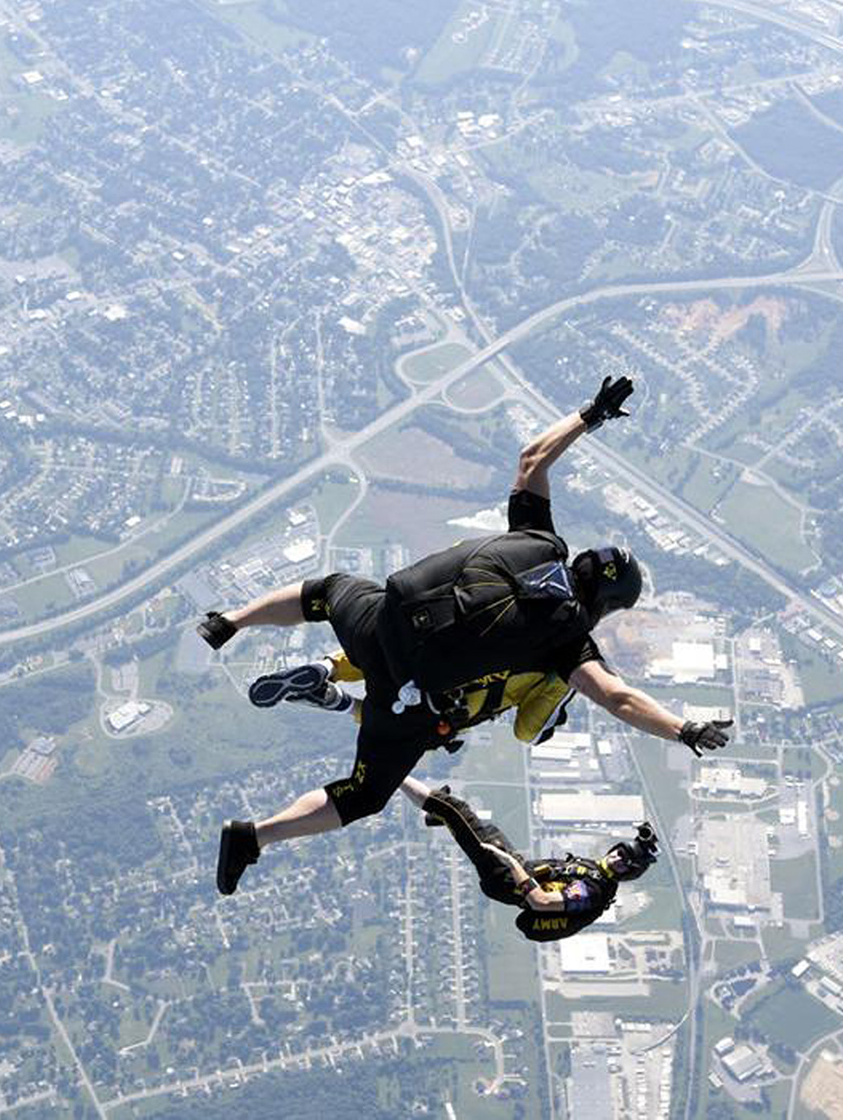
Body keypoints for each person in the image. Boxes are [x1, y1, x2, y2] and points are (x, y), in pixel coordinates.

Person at [196, 375, 733, 895]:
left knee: (327, 588)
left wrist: (589, 415)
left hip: (377, 622)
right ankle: (254, 836)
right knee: (362, 796)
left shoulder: (538, 538)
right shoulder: (567, 640)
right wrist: (683, 729)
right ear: (605, 606)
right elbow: (618, 698)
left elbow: (532, 459)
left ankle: (231, 621)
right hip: (409, 693)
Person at [399, 777, 657, 942]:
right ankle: (440, 815)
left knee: (455, 809)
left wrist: (510, 864)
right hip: (515, 869)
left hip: (506, 877)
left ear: (628, 873)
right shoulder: (594, 874)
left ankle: (393, 775)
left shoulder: (592, 890)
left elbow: (541, 901)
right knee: (486, 828)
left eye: (624, 861)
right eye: (620, 851)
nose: (616, 857)